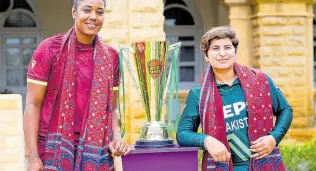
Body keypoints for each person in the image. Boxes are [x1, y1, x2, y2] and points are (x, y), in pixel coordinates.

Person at [23, 0, 130, 170]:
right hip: (51, 152)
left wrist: (117, 137)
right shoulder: (50, 49)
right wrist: (33, 156)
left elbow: (113, 109)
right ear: (74, 12)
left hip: (97, 155)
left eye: (100, 12)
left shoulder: (111, 57)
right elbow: (32, 104)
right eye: (87, 10)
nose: (93, 17)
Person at [176, 26, 293, 171]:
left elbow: (285, 109)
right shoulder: (198, 94)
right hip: (223, 166)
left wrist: (274, 138)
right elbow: (182, 134)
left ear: (235, 52)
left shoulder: (260, 80)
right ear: (206, 56)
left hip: (262, 163)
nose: (222, 53)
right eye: (215, 48)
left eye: (227, 47)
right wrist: (206, 141)